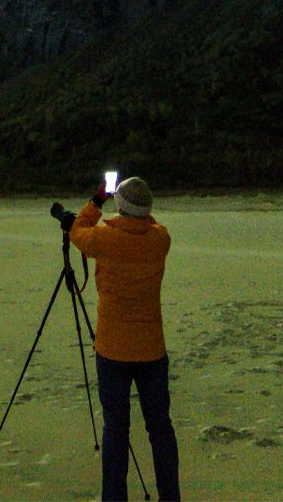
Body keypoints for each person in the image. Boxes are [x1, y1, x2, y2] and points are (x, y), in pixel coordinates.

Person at [71, 176, 181, 501]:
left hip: (113, 350)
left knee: (116, 432)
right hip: (151, 350)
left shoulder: (104, 239)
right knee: (160, 429)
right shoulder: (160, 239)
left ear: (120, 206)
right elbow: (152, 226)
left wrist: (97, 200)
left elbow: (76, 229)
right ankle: (170, 496)